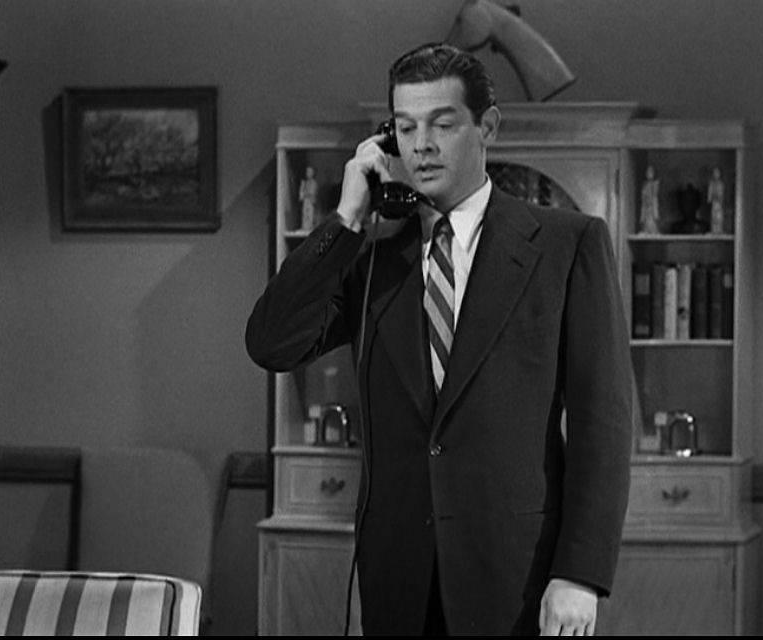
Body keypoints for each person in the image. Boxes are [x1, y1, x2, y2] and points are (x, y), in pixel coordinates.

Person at [246, 43, 632, 636]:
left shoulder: (567, 244)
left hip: (518, 578)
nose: (421, 144)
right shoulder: (373, 260)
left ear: (487, 127)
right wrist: (346, 220)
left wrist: (579, 574)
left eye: (442, 124)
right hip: (398, 581)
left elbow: (602, 424)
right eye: (405, 128)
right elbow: (272, 343)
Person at [639, 165, 660, 233]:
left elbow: (654, 195)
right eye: (647, 172)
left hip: (652, 205)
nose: (648, 174)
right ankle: (646, 230)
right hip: (646, 205)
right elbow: (643, 194)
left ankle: (653, 230)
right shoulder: (645, 184)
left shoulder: (655, 184)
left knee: (652, 217)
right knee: (646, 217)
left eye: (650, 172)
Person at [298, 165, 319, 230]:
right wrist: (302, 188)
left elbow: (311, 192)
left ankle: (309, 226)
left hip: (310, 200)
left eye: (309, 172)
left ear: (312, 173)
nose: (308, 173)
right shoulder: (305, 182)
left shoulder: (313, 183)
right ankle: (305, 227)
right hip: (306, 200)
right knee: (305, 213)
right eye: (307, 172)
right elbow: (302, 193)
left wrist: (304, 192)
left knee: (310, 214)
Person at [707, 167, 725, 234]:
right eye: (714, 173)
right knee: (713, 216)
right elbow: (710, 193)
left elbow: (721, 193)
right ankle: (714, 230)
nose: (716, 175)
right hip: (714, 202)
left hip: (719, 202)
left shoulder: (721, 183)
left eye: (717, 173)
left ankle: (719, 230)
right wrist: (710, 198)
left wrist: (719, 197)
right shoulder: (711, 183)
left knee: (719, 216)